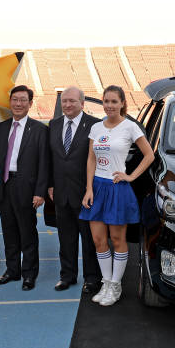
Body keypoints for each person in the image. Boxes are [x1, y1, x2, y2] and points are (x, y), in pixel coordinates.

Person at [80, 85, 154, 306]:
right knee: (98, 240)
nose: (109, 106)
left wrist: (130, 176)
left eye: (114, 102)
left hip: (117, 187)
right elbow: (91, 159)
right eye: (106, 101)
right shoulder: (96, 128)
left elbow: (149, 155)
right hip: (98, 188)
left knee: (117, 239)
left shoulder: (130, 127)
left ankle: (115, 284)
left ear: (122, 103)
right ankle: (106, 282)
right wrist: (89, 188)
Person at [0, 85, 49, 291]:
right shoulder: (2, 128)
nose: (18, 104)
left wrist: (40, 192)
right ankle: (12, 270)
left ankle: (29, 274)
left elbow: (44, 163)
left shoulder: (39, 130)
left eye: (23, 100)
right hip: (5, 185)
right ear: (10, 102)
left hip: (27, 187)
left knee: (27, 232)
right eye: (15, 100)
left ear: (30, 104)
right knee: (9, 231)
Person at [48, 86, 102, 293]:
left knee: (89, 239)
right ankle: (67, 276)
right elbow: (50, 159)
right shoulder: (53, 125)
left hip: (86, 193)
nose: (68, 105)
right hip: (61, 193)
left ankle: (91, 279)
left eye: (72, 101)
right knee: (66, 238)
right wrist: (50, 184)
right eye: (65, 101)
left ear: (82, 103)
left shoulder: (96, 125)